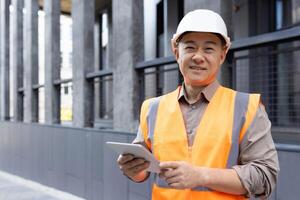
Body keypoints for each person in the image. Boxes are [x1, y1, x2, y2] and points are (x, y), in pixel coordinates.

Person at [117, 9, 279, 199]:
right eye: (190, 47)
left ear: (222, 54)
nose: (198, 57)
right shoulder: (152, 108)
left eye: (209, 48)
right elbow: (142, 172)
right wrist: (132, 170)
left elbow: (265, 177)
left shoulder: (248, 108)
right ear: (176, 52)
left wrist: (202, 175)